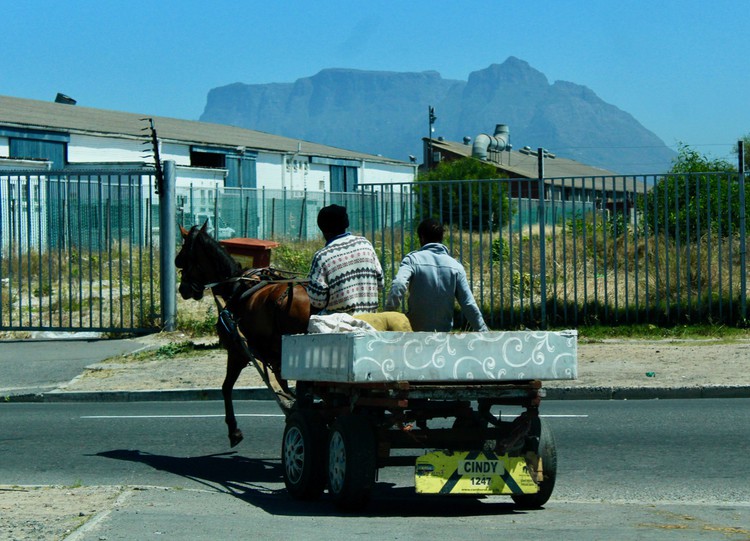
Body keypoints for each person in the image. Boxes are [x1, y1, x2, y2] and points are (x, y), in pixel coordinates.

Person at [386, 218, 488, 332]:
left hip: (415, 334)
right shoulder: (456, 267)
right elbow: (468, 304)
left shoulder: (412, 260)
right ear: (441, 238)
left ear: (422, 238)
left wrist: (388, 313)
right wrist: (483, 332)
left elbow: (399, 284)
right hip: (443, 337)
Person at [307, 204, 383, 314]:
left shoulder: (322, 256)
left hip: (340, 327)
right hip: (370, 321)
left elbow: (317, 301)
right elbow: (380, 283)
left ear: (323, 228)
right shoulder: (366, 244)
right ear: (345, 223)